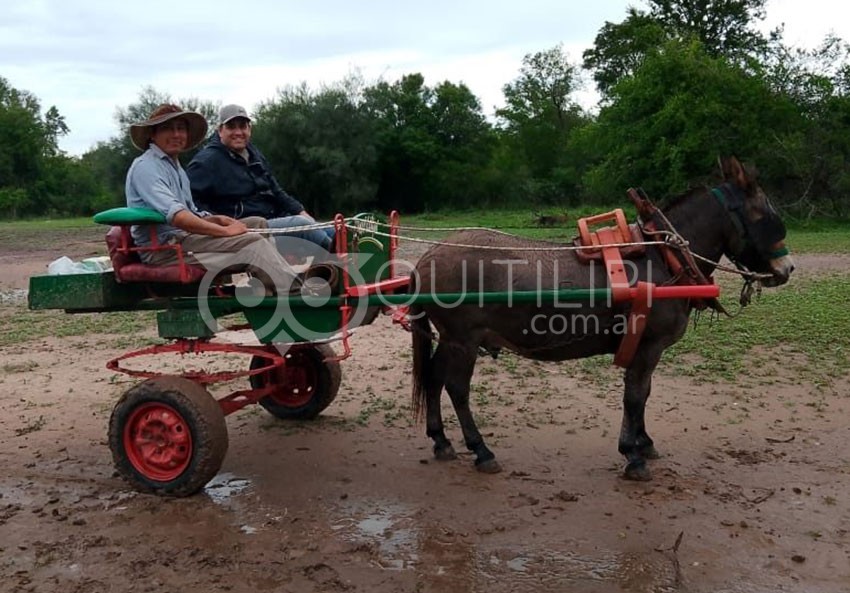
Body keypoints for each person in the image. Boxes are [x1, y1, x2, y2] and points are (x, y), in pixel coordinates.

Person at [125, 103, 298, 294]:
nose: (176, 134)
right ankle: (297, 292)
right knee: (253, 244)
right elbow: (178, 217)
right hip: (165, 250)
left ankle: (267, 292)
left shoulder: (175, 167)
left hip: (184, 239)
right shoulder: (146, 167)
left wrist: (216, 219)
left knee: (258, 223)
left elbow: (191, 212)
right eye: (167, 128)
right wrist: (225, 232)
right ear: (152, 134)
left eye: (180, 128)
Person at [186, 104, 334, 253]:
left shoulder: (253, 153)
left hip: (272, 219)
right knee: (304, 226)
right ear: (220, 131)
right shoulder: (206, 162)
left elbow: (275, 190)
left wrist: (300, 210)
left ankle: (339, 267)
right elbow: (191, 203)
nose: (238, 132)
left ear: (249, 129)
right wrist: (221, 224)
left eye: (243, 126)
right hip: (246, 229)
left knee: (333, 229)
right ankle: (344, 263)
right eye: (231, 127)